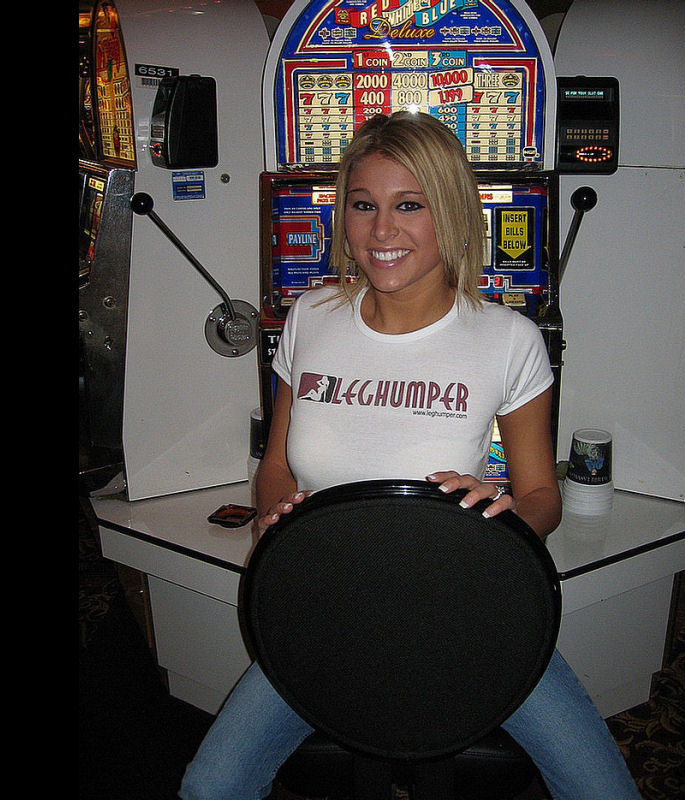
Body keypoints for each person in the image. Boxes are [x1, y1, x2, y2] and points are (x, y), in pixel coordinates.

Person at [179, 111, 640, 800]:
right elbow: (275, 466)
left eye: (409, 206)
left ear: (450, 213)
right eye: (363, 205)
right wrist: (273, 522)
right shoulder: (311, 317)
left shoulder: (507, 339)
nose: (381, 231)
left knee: (605, 792)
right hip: (326, 606)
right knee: (210, 787)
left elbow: (543, 496)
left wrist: (507, 516)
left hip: (465, 607)